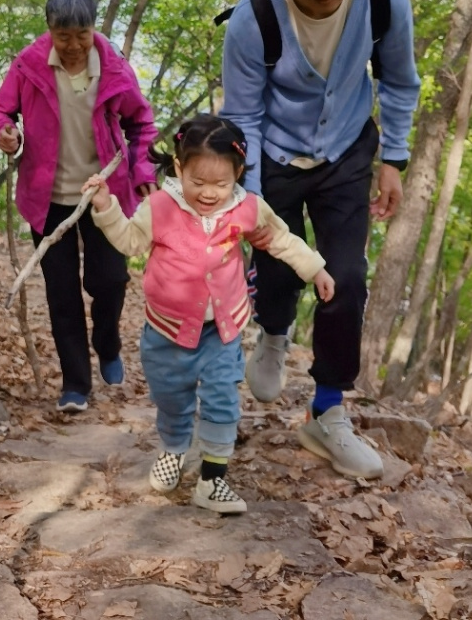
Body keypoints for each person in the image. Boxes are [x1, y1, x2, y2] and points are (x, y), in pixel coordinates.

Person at [221, 0, 420, 479]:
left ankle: (328, 410)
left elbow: (400, 81)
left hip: (346, 150)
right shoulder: (254, 17)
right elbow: (243, 118)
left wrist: (395, 160)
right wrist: (249, 196)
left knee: (347, 277)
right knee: (279, 266)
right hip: (275, 152)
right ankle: (275, 333)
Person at [86, 114, 334, 514]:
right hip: (165, 331)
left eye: (221, 184)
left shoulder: (247, 209)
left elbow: (281, 240)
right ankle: (173, 450)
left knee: (222, 400)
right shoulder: (160, 207)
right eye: (198, 182)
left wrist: (315, 268)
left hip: (222, 329)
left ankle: (213, 480)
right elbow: (130, 242)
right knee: (173, 400)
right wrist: (105, 206)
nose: (209, 193)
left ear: (238, 173)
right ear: (179, 167)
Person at [0, 0, 157, 412]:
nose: (74, 45)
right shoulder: (29, 65)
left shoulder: (114, 67)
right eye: (64, 37)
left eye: (82, 34)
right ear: (50, 31)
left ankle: (108, 342)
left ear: (93, 28)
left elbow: (142, 124)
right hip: (48, 198)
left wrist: (144, 173)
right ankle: (76, 385)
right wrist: (4, 132)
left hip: (104, 194)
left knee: (110, 280)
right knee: (62, 294)